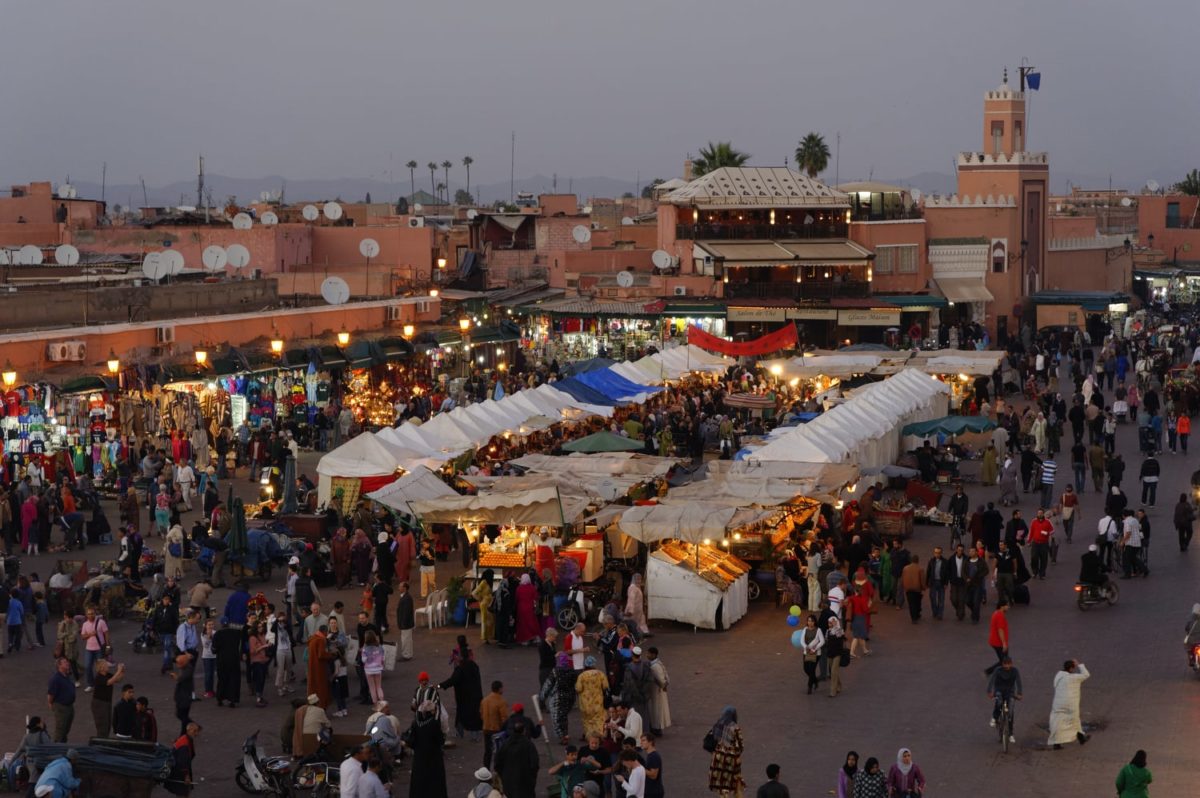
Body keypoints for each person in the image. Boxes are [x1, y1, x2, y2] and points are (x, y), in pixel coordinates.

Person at [439, 641, 484, 741]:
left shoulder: (460, 669)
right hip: (475, 696)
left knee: (461, 715)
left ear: (461, 657)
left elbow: (452, 681)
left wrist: (439, 686)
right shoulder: (474, 666)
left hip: (464, 697)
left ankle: (460, 734)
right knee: (475, 717)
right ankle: (475, 736)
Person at [407, 700, 449, 798]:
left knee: (419, 782)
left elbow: (411, 741)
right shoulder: (433, 724)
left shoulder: (415, 723)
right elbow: (440, 740)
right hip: (433, 758)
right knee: (434, 782)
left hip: (419, 758)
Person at [1048, 659, 1091, 749]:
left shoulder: (1058, 676)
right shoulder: (1073, 677)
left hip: (1058, 703)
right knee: (1075, 721)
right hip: (1070, 704)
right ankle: (1081, 738)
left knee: (1057, 722)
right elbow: (1086, 674)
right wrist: (1079, 665)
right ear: (1071, 668)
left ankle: (1056, 743)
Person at [495, 720, 540, 798]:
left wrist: (503, 775)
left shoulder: (505, 744)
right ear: (523, 731)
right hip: (525, 781)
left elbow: (497, 762)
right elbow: (534, 763)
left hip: (508, 781)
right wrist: (532, 777)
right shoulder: (528, 744)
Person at [707, 706, 744, 796]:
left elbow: (711, 739)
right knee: (735, 780)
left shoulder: (717, 724)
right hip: (731, 758)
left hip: (718, 757)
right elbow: (740, 745)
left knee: (722, 783)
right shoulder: (735, 728)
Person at [986, 656, 1023, 743]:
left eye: (1008, 664)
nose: (1006, 666)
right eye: (1005, 664)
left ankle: (1010, 734)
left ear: (1011, 664)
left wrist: (1020, 693)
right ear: (1002, 664)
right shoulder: (998, 670)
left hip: (1010, 692)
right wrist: (989, 691)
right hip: (999, 690)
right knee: (998, 702)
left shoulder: (1015, 671)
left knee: (1010, 713)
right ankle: (995, 718)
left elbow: (1018, 681)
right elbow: (992, 680)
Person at [91, 658, 126, 737]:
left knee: (107, 725)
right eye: (106, 665)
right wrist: (118, 671)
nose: (108, 666)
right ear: (101, 668)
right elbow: (109, 682)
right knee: (102, 726)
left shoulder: (107, 674)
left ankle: (104, 742)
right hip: (99, 704)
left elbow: (117, 679)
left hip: (106, 703)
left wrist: (122, 671)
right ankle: (101, 744)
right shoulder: (99, 677)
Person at [47, 657, 77, 742]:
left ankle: (63, 745)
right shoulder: (55, 679)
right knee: (60, 729)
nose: (67, 663)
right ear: (59, 666)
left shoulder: (66, 676)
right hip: (61, 707)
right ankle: (57, 748)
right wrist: (50, 703)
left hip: (69, 706)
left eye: (67, 661)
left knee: (66, 729)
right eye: (64, 662)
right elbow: (50, 694)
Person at [168, 721, 201, 796]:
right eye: (194, 731)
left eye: (197, 731)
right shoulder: (185, 744)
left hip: (177, 770)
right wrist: (186, 776)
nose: (196, 734)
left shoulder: (184, 739)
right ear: (189, 730)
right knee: (183, 793)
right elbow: (182, 762)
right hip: (180, 773)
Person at [645, 647, 671, 734]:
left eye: (648, 653)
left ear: (653, 655)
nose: (647, 655)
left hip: (656, 691)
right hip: (658, 690)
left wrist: (663, 685)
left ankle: (656, 728)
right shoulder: (658, 663)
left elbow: (660, 679)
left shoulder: (655, 666)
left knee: (656, 710)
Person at [985, 600, 1010, 676]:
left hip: (994, 641)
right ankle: (989, 671)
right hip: (998, 643)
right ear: (1002, 606)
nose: (1008, 607)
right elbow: (1000, 630)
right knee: (1004, 661)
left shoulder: (996, 613)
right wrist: (1004, 643)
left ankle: (991, 671)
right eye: (1007, 605)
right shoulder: (1000, 616)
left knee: (1004, 660)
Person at [1028, 508, 1054, 580]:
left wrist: (1047, 533)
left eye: (1041, 513)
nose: (1039, 514)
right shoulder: (1034, 521)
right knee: (1034, 558)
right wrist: (1029, 541)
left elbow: (1052, 530)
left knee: (1044, 559)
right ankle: (1034, 572)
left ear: (1043, 514)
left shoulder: (1047, 521)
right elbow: (1031, 531)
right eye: (1038, 513)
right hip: (1035, 543)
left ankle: (1042, 574)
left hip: (1044, 544)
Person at [514, 574, 540, 645]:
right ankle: (534, 637)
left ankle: (525, 639)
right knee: (532, 622)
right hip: (530, 607)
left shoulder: (519, 588)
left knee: (523, 624)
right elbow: (536, 598)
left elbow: (516, 598)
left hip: (521, 608)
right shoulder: (532, 588)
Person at [900, 554, 926, 624]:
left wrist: (903, 586)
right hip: (917, 589)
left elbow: (902, 578)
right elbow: (922, 580)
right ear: (918, 560)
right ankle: (916, 615)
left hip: (908, 588)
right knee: (917, 603)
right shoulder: (920, 569)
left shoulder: (905, 568)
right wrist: (924, 587)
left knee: (911, 604)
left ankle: (913, 617)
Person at [395, 580, 415, 661]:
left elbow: (406, 612)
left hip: (406, 623)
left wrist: (403, 622)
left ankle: (406, 655)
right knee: (407, 639)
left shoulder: (406, 598)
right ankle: (408, 654)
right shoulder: (406, 597)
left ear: (405, 588)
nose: (398, 588)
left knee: (405, 640)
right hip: (407, 623)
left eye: (400, 586)